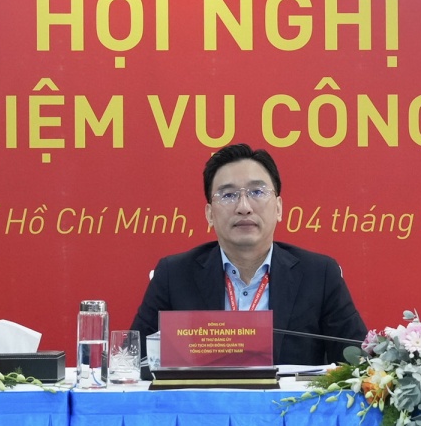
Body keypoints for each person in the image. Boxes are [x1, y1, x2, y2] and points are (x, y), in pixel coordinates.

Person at [130, 144, 367, 365]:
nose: (244, 207)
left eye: (257, 192)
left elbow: (359, 364)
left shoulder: (319, 275)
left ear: (278, 208)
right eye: (228, 195)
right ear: (210, 214)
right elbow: (133, 361)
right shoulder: (174, 275)